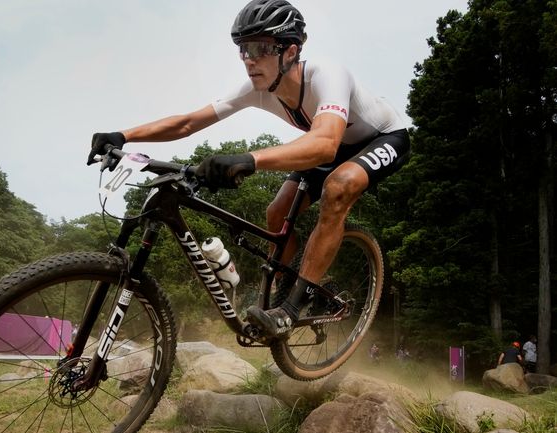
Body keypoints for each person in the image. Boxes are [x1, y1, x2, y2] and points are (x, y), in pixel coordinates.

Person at [88, 0, 410, 338]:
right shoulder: (258, 89)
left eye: (259, 48)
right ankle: (295, 287)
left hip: (381, 138)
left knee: (338, 187)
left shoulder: (326, 74)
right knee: (277, 213)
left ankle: (288, 310)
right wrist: (123, 135)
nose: (249, 59)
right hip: (328, 141)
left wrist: (249, 159)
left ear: (290, 51)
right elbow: (187, 123)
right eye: (243, 49)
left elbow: (326, 143)